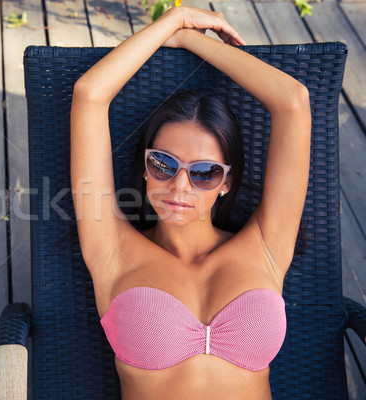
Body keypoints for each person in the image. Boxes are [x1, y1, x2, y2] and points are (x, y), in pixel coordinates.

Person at [70, 6, 311, 400]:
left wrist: (189, 40)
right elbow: (89, 95)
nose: (179, 185)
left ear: (226, 183)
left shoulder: (268, 244)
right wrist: (173, 21)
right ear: (145, 168)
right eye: (163, 164)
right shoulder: (111, 249)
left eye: (203, 172)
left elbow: (293, 102)